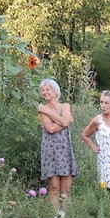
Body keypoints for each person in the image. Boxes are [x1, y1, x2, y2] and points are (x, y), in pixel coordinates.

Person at [37, 78, 76, 208]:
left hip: (65, 150)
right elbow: (51, 129)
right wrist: (65, 121)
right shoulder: (42, 110)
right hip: (50, 151)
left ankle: (65, 215)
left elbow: (64, 122)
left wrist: (47, 112)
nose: (44, 92)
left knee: (66, 189)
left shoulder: (65, 106)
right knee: (54, 187)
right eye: (43, 90)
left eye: (47, 89)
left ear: (55, 91)